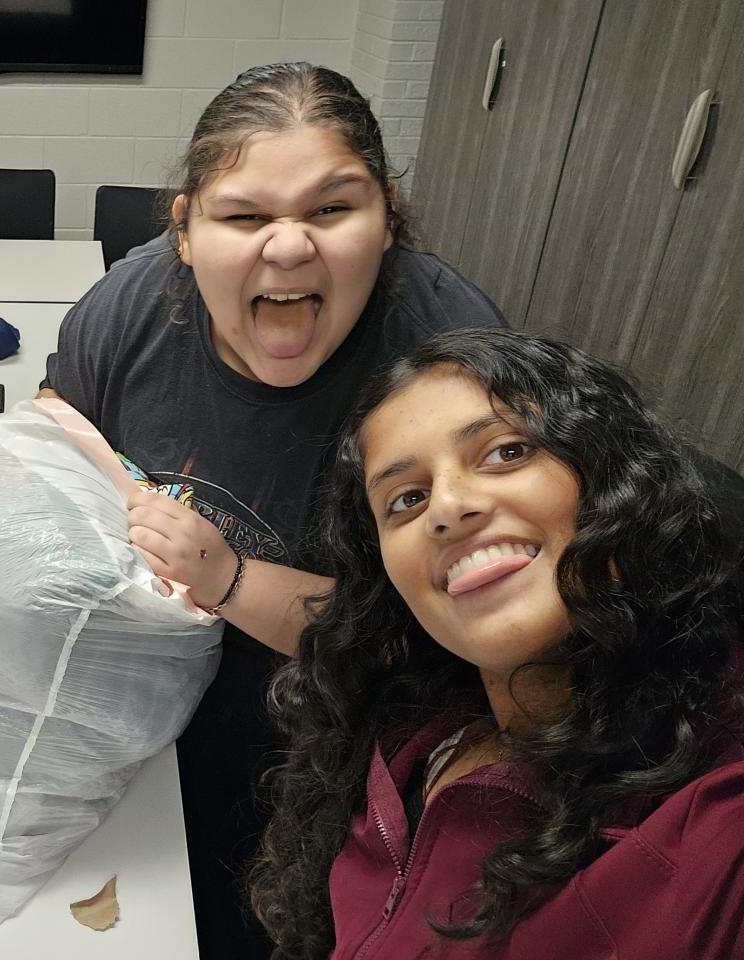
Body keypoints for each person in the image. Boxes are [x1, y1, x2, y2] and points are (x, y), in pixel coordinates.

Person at [40, 62, 505, 956]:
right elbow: (61, 413)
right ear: (185, 230)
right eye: (244, 217)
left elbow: (435, 637)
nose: (288, 249)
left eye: (331, 208)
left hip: (342, 746)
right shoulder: (136, 303)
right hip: (145, 713)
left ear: (388, 219)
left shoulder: (449, 364)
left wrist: (226, 577)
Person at [250, 327, 744, 959]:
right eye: (406, 498)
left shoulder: (714, 827)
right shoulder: (400, 728)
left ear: (615, 480)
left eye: (506, 452)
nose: (446, 508)